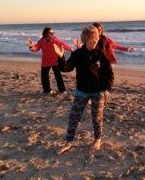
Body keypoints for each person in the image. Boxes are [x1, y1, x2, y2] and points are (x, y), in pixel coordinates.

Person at [54, 26, 114, 154]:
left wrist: (107, 89)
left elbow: (109, 73)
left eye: (96, 40)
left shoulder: (100, 53)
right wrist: (61, 56)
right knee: (73, 117)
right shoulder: (78, 54)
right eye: (92, 41)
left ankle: (97, 139)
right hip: (82, 90)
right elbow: (66, 68)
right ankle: (68, 142)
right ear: (85, 40)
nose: (95, 43)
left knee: (96, 117)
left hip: (98, 91)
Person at [26, 27, 72, 94]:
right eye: (50, 33)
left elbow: (63, 45)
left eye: (52, 33)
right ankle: (47, 90)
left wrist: (71, 49)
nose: (52, 34)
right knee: (44, 76)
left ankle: (62, 90)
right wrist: (31, 46)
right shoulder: (41, 40)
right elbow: (36, 48)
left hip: (55, 60)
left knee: (58, 76)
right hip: (45, 61)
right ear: (45, 34)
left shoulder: (55, 40)